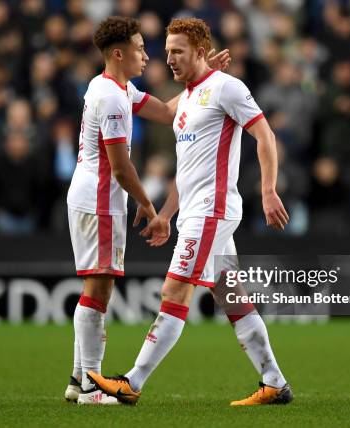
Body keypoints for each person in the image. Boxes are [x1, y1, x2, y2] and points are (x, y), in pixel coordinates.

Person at [87, 17, 293, 407]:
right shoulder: (188, 100)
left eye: (178, 52)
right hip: (196, 212)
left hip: (213, 212)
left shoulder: (227, 89)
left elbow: (264, 134)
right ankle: (274, 382)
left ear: (200, 52)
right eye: (166, 53)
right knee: (232, 296)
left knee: (173, 290)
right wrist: (165, 213)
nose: (170, 60)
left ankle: (131, 383)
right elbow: (188, 171)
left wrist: (268, 190)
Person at [64, 16, 230, 405]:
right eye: (140, 47)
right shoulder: (112, 99)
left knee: (96, 288)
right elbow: (121, 167)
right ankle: (91, 385)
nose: (147, 54)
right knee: (97, 290)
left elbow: (168, 111)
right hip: (100, 201)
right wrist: (148, 204)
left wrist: (205, 77)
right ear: (118, 53)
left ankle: (77, 379)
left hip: (94, 198)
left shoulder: (114, 87)